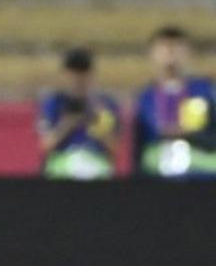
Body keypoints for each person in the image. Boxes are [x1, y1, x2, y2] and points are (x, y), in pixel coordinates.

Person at [132, 26, 216, 178]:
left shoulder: (205, 91)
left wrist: (191, 134)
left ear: (188, 53)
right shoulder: (144, 98)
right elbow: (138, 144)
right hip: (157, 178)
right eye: (164, 48)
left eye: (177, 48)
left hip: (202, 176)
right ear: (152, 54)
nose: (171, 54)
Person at [37, 47, 120, 180]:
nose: (77, 78)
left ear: (90, 74)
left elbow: (114, 147)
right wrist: (69, 122)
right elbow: (46, 145)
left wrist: (95, 121)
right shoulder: (54, 103)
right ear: (64, 74)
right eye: (73, 72)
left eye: (83, 72)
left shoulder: (105, 105)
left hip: (95, 160)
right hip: (62, 162)